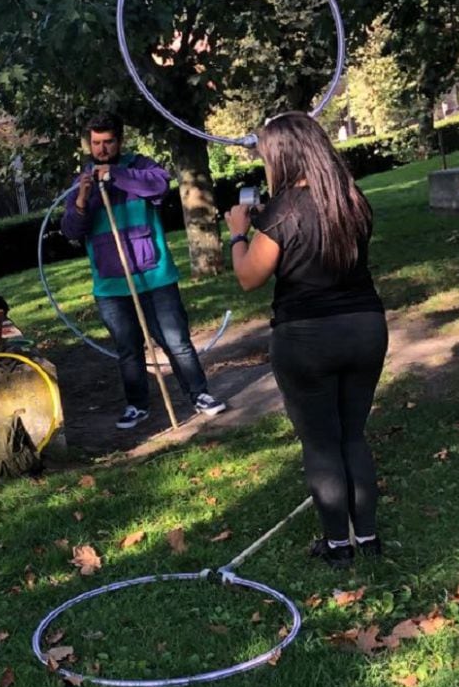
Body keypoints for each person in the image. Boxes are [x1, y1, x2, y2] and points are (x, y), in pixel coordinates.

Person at [225, 111, 387, 566]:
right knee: (352, 435)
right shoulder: (350, 198)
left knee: (320, 442)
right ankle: (368, 540)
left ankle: (337, 545)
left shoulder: (280, 212)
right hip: (365, 328)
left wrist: (239, 234)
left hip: (306, 339)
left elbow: (249, 277)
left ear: (283, 156)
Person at [61, 117, 226, 429]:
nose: (102, 148)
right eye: (96, 143)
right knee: (128, 349)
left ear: (119, 141)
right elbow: (71, 230)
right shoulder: (82, 180)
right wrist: (82, 200)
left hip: (155, 276)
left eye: (108, 141)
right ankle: (137, 405)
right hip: (111, 284)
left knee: (176, 341)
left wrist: (117, 175)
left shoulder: (139, 166)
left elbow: (159, 186)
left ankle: (199, 394)